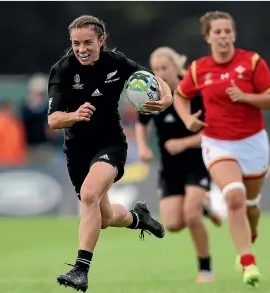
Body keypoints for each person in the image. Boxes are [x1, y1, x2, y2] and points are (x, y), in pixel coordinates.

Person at [48, 15, 172, 292]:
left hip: (111, 145)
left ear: (101, 41)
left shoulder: (116, 62)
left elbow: (152, 79)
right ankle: (140, 217)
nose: (82, 48)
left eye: (88, 42)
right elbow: (53, 120)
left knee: (90, 195)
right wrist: (74, 115)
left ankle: (81, 270)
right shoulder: (62, 70)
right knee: (103, 218)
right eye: (76, 43)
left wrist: (167, 97)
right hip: (77, 153)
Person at [174, 11, 270, 287]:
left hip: (253, 142)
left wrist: (245, 97)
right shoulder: (199, 69)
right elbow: (181, 96)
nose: (223, 36)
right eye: (217, 32)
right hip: (217, 143)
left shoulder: (253, 62)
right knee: (234, 197)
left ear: (234, 34)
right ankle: (248, 262)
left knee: (252, 206)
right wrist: (187, 119)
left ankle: (250, 235)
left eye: (227, 31)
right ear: (208, 37)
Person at [135, 47, 222, 283]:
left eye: (165, 68)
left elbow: (213, 133)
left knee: (191, 216)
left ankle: (205, 270)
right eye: (156, 69)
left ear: (176, 68)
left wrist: (184, 143)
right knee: (173, 224)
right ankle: (205, 208)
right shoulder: (151, 94)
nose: (160, 73)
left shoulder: (194, 92)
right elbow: (141, 123)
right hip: (169, 168)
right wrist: (143, 147)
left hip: (197, 162)